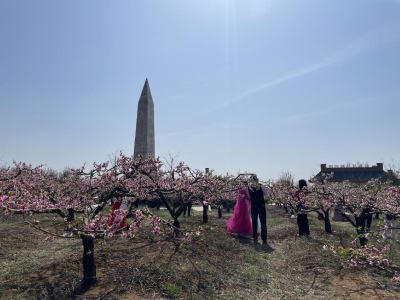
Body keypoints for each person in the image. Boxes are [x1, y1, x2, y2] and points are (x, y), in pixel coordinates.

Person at [247, 175, 268, 244]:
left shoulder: (249, 187)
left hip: (254, 206)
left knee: (254, 222)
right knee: (263, 222)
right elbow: (266, 194)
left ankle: (255, 237)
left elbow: (249, 196)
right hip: (261, 205)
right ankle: (264, 238)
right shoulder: (261, 186)